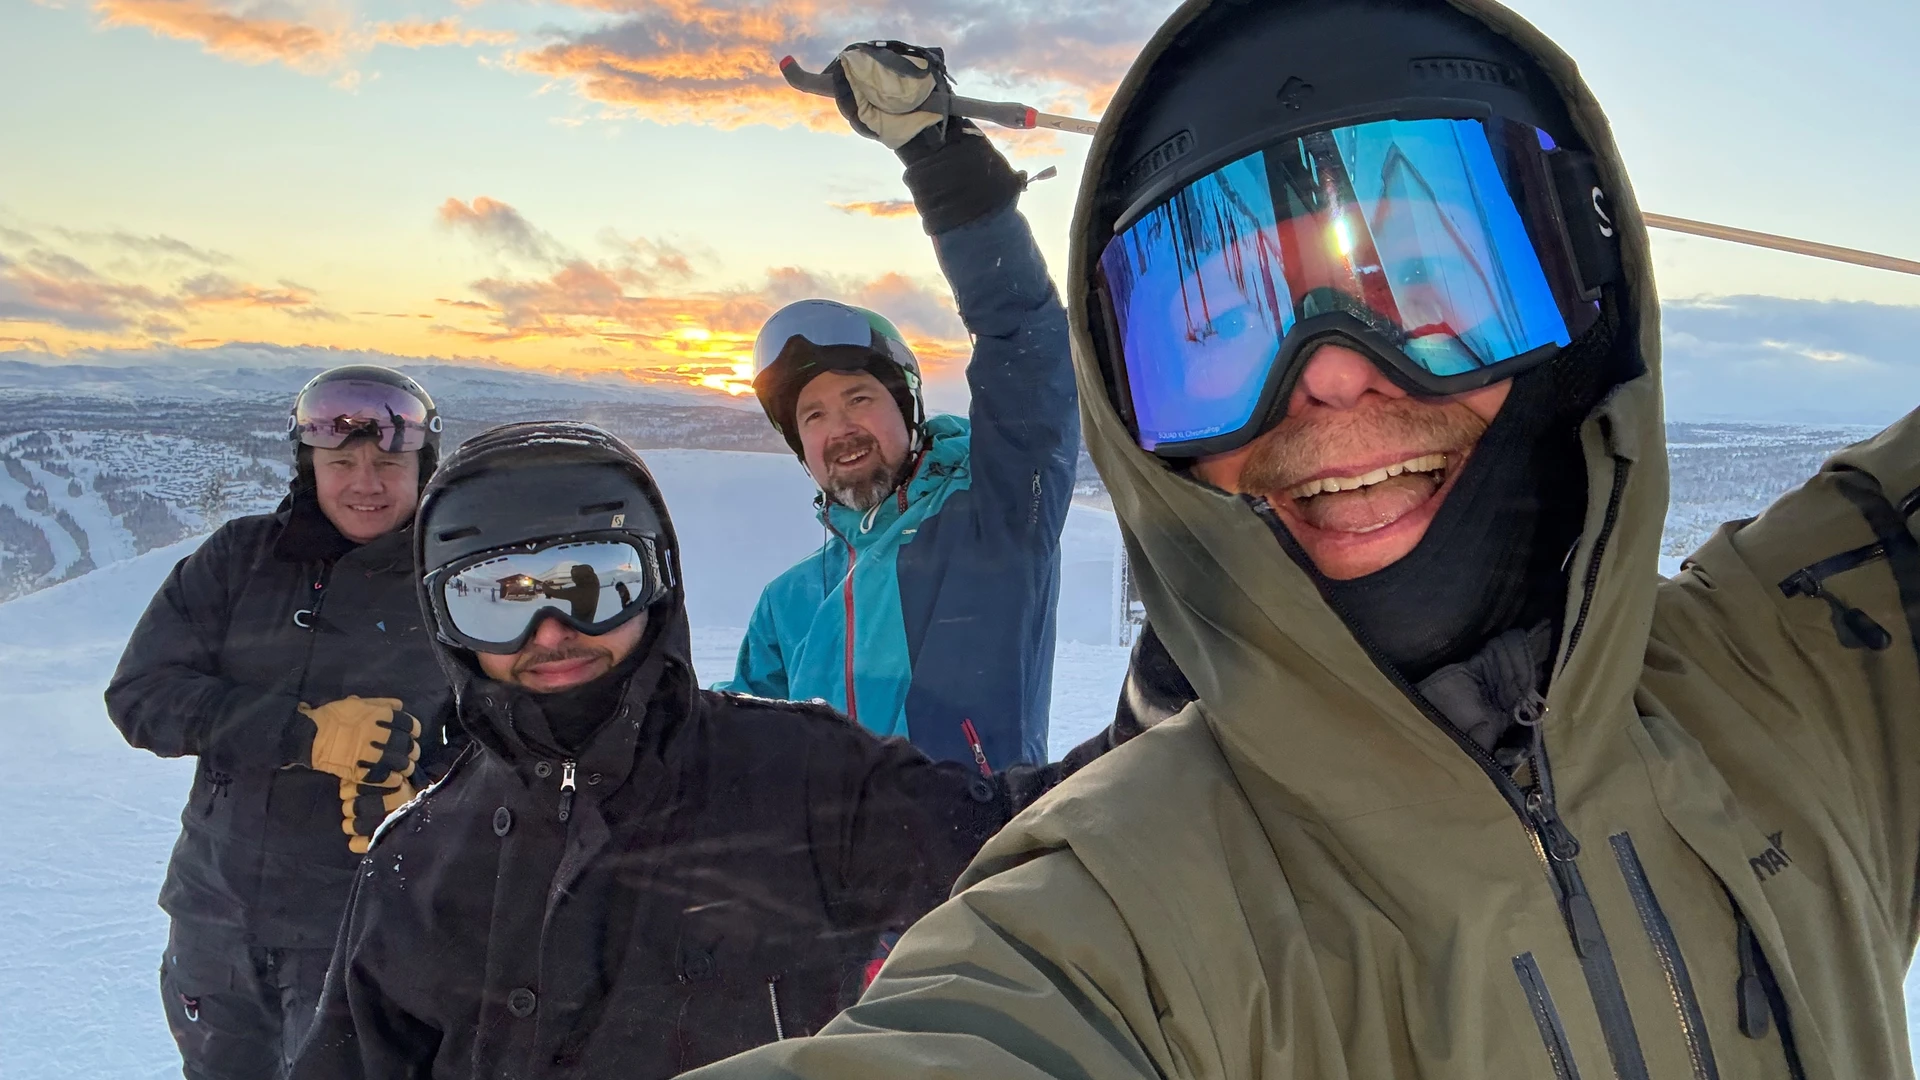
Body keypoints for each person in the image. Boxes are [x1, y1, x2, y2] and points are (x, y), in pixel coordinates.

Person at [683, 2, 1920, 1079]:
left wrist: (946, 168)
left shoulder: (1808, 673)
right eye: (1216, 337)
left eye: (1434, 287)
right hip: (924, 907)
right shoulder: (1116, 900)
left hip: (994, 816)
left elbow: (1018, 346)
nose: (1328, 378)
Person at [287, 421, 1121, 1079]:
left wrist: (1174, 695)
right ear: (447, 624)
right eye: (495, 599)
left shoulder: (796, 775)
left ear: (657, 582)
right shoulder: (421, 861)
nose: (551, 631)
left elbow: (1023, 842)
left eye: (593, 584)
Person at [723, 40, 1077, 769]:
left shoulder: (998, 518)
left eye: (858, 397)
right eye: (812, 416)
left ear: (908, 408)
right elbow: (730, 767)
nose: (838, 428)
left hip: (988, 870)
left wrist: (940, 159)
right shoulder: (788, 606)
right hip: (827, 885)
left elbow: (1025, 341)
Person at [107, 364, 461, 1079]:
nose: (366, 483)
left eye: (389, 462)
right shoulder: (240, 560)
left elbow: (514, 733)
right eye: (343, 462)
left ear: (423, 466)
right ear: (311, 466)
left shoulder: (454, 580)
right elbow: (142, 697)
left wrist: (426, 786)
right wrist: (305, 733)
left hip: (362, 931)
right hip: (216, 915)